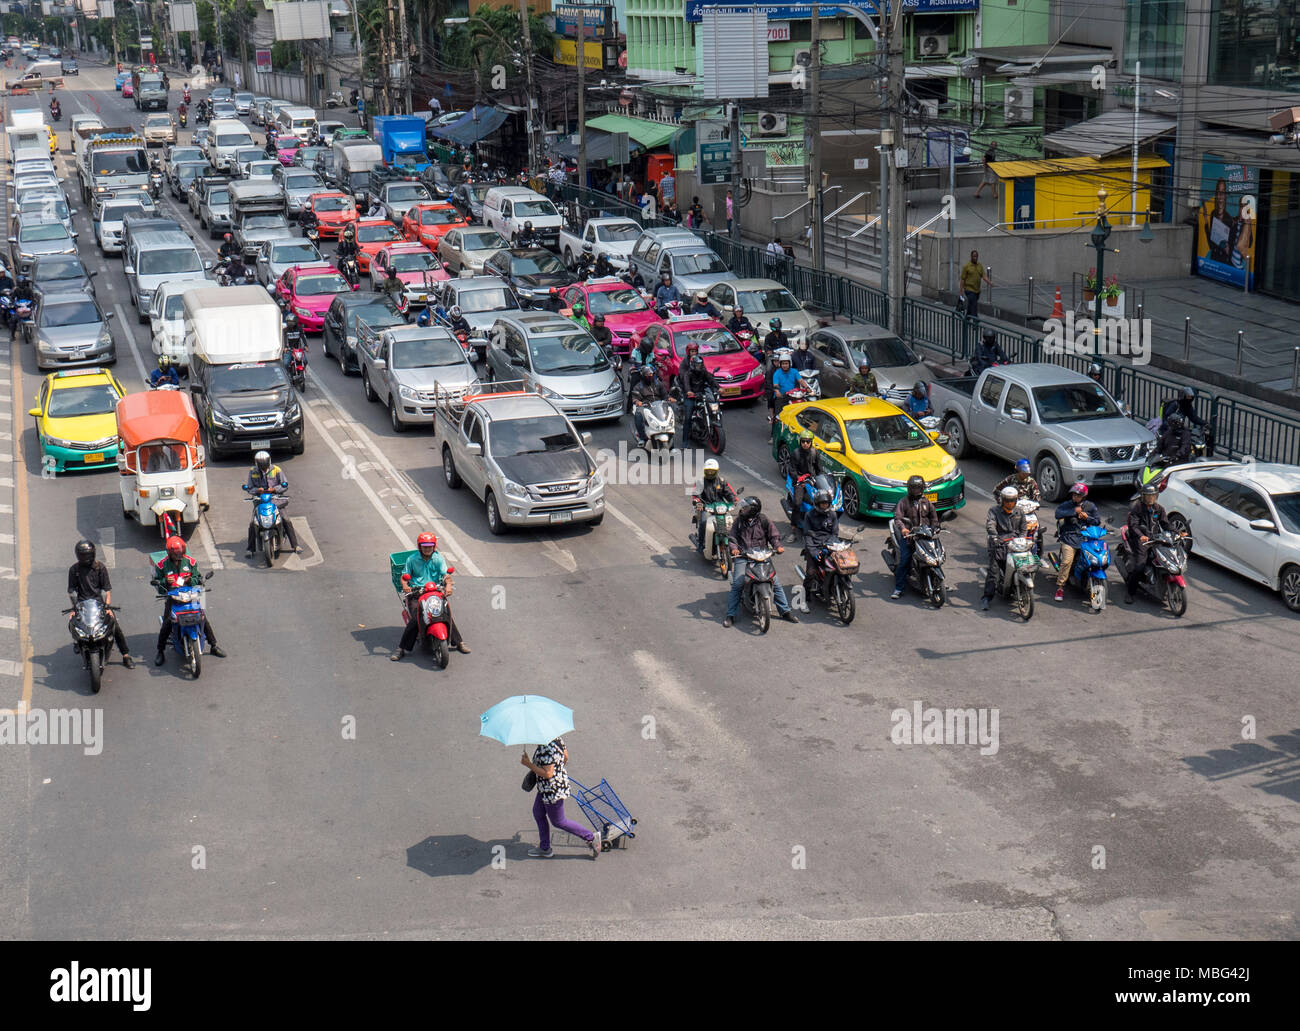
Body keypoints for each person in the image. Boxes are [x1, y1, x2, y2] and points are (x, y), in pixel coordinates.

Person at [392, 532, 468, 660]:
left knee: (444, 612)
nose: (427, 549)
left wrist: (448, 585)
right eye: (424, 546)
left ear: (434, 546)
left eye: (430, 546)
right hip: (417, 593)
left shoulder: (438, 559)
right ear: (420, 546)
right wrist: (405, 585)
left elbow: (446, 575)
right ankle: (401, 648)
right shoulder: (412, 559)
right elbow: (404, 577)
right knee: (417, 617)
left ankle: (459, 642)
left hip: (434, 591)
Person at [724, 497, 798, 628]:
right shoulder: (739, 521)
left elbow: (774, 536)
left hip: (762, 555)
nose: (742, 510)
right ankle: (730, 615)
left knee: (775, 582)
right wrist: (734, 549)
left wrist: (778, 546)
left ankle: (785, 611)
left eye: (745, 508)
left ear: (753, 510)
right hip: (744, 555)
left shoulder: (763, 520)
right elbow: (732, 537)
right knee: (738, 583)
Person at [521, 736, 601, 859]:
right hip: (551, 786)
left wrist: (529, 764)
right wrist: (557, 768)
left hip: (552, 791)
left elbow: (548, 773)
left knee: (559, 822)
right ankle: (544, 847)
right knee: (538, 812)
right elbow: (566, 757)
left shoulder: (545, 748)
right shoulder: (556, 738)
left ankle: (591, 837)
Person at [152, 536, 225, 664]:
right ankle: (160, 651)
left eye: (181, 554)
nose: (179, 557)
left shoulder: (190, 562)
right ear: (170, 554)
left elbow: (199, 579)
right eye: (176, 555)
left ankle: (213, 645)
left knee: (203, 619)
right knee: (167, 624)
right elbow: (158, 584)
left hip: (191, 596)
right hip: (173, 598)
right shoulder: (162, 565)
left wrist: (189, 580)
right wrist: (165, 581)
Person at [68, 540, 134, 668]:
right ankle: (76, 641)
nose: (85, 558)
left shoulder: (100, 568)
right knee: (72, 623)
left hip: (99, 604)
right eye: (83, 555)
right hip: (82, 605)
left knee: (115, 627)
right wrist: (74, 607)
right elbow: (71, 591)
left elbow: (106, 589)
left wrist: (107, 606)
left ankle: (126, 655)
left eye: (87, 555)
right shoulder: (74, 570)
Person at [890, 475, 940, 599]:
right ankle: (899, 588)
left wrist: (935, 527)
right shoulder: (904, 502)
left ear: (922, 488)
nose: (916, 491)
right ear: (909, 489)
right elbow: (898, 518)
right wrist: (903, 529)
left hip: (925, 536)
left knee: (936, 556)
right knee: (904, 560)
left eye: (918, 488)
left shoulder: (926, 502)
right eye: (913, 488)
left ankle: (938, 580)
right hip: (910, 537)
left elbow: (934, 517)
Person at [244, 451, 300, 556]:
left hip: (276, 500)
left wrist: (274, 489)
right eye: (262, 467)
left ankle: (295, 545)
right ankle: (250, 549)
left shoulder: (277, 470)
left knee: (285, 519)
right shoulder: (252, 471)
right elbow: (249, 488)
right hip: (260, 501)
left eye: (265, 467)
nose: (264, 469)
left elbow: (284, 485)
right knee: (253, 523)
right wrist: (257, 490)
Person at [981, 486, 1028, 610]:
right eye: (1007, 500)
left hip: (1015, 544)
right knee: (993, 572)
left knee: (1028, 564)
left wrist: (1023, 539)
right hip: (999, 544)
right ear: (1002, 500)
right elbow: (990, 525)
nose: (1010, 503)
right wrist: (994, 536)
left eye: (1012, 500)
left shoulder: (1019, 512)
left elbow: (1024, 529)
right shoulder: (994, 511)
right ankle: (986, 597)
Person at [1123, 484, 1173, 602]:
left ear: (1156, 496)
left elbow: (1165, 524)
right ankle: (1130, 593)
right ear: (1143, 497)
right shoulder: (1138, 508)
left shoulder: (1159, 509)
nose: (1150, 499)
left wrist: (1177, 532)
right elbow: (1133, 526)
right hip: (1140, 540)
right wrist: (1141, 536)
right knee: (1140, 566)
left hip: (1155, 538)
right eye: (1148, 496)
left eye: (1153, 496)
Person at [692, 459, 738, 553]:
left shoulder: (721, 481)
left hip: (721, 508)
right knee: (703, 522)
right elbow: (696, 495)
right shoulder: (700, 482)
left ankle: (733, 545)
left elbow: (730, 493)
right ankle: (701, 544)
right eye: (708, 471)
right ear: (704, 471)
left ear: (716, 471)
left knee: (730, 524)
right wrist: (698, 503)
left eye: (712, 471)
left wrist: (734, 500)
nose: (710, 473)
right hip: (706, 507)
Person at [676, 352, 719, 447]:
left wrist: (719, 388)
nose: (699, 367)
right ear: (693, 365)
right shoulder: (688, 374)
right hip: (691, 396)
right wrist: (689, 392)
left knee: (713, 405)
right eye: (697, 365)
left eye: (700, 365)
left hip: (702, 394)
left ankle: (707, 424)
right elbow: (686, 384)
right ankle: (685, 442)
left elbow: (711, 380)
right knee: (688, 418)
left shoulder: (703, 372)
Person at [629, 364, 669, 446]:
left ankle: (670, 437)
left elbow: (664, 395)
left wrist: (669, 398)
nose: (650, 376)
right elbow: (635, 397)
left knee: (670, 413)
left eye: (651, 374)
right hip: (645, 406)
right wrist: (637, 401)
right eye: (647, 375)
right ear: (643, 376)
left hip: (659, 405)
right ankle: (642, 437)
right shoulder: (638, 386)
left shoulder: (658, 384)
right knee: (638, 415)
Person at [802, 488, 841, 561]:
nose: (825, 505)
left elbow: (835, 533)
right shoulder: (809, 515)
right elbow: (807, 536)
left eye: (826, 503)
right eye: (822, 503)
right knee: (811, 572)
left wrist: (828, 547)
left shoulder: (833, 515)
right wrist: (814, 552)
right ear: (817, 504)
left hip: (829, 545)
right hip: (814, 545)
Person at [959, 250, 992, 317]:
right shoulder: (967, 266)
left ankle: (966, 320)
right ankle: (975, 323)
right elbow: (962, 279)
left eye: (976, 256)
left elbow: (983, 275)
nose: (975, 258)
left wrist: (989, 282)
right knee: (974, 306)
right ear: (971, 256)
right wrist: (961, 291)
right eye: (974, 256)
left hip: (977, 290)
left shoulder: (979, 266)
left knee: (971, 307)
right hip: (969, 290)